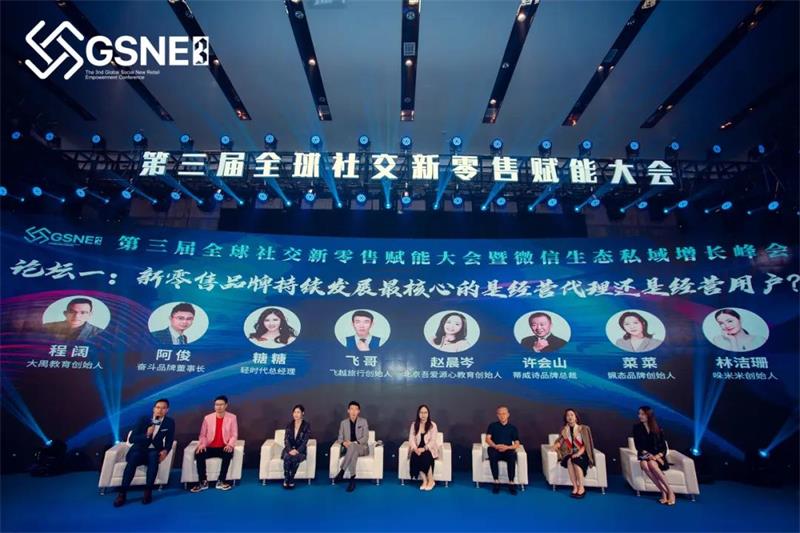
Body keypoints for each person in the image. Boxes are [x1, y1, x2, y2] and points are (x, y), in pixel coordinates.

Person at [113, 399, 175, 507]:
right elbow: (132, 439)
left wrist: (165, 451)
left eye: (163, 408)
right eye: (158, 407)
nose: (160, 410)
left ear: (167, 410)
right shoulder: (144, 420)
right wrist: (146, 434)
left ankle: (148, 492)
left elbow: (169, 441)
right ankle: (122, 494)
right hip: (139, 450)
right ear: (153, 409)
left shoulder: (169, 422)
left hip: (153, 451)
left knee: (153, 456)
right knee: (134, 457)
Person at [190, 395, 237, 493]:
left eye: (221, 404)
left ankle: (221, 481)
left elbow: (234, 435)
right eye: (216, 405)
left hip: (223, 447)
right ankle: (203, 481)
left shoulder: (232, 417)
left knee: (228, 453)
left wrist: (230, 445)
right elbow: (202, 435)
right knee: (199, 453)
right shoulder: (207, 418)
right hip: (210, 447)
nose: (218, 407)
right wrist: (202, 444)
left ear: (226, 405)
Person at [633, 406, 675, 506]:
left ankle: (670, 491)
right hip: (644, 455)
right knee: (644, 464)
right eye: (639, 414)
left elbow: (663, 448)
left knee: (651, 464)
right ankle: (663, 491)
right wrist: (649, 455)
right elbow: (638, 446)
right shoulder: (636, 428)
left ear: (649, 415)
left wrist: (657, 457)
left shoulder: (658, 428)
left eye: (642, 414)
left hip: (657, 457)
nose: (640, 416)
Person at [550, 408, 596, 499]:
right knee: (569, 460)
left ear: (576, 417)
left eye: (572, 415)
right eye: (567, 415)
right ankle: (575, 487)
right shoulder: (564, 430)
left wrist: (579, 453)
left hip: (582, 453)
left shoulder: (583, 428)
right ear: (566, 418)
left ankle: (581, 488)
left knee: (575, 460)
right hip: (570, 453)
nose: (570, 417)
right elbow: (561, 441)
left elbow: (586, 444)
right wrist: (556, 445)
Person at [333, 401, 369, 492]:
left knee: (353, 446)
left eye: (356, 409)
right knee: (353, 453)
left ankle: (342, 471)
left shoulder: (363, 421)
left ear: (359, 411)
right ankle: (352, 480)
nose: (353, 411)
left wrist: (355, 442)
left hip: (362, 448)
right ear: (348, 410)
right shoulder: (343, 423)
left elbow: (365, 437)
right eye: (351, 409)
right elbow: (340, 438)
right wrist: (343, 443)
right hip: (350, 449)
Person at [485, 405, 520, 495]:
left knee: (512, 455)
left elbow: (517, 444)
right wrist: (495, 446)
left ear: (508, 415)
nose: (502, 416)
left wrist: (507, 447)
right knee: (491, 453)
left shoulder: (512, 428)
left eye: (504, 414)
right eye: (500, 414)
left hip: (507, 449)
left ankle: (511, 483)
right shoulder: (492, 426)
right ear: (497, 415)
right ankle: (496, 482)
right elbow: (487, 439)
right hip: (495, 448)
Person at [407, 404, 439, 491]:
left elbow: (433, 441)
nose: (423, 415)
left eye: (425, 412)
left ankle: (431, 481)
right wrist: (415, 449)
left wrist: (424, 448)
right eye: (421, 412)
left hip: (429, 449)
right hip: (417, 448)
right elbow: (411, 439)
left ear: (428, 414)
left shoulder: (433, 425)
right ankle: (424, 481)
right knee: (415, 455)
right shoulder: (414, 425)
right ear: (418, 414)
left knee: (425, 456)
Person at [282, 404, 311, 489]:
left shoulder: (306, 425)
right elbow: (286, 440)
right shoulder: (289, 424)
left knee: (294, 458)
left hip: (300, 451)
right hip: (289, 449)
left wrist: (297, 451)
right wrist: (290, 450)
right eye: (294, 412)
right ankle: (286, 477)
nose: (296, 414)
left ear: (302, 413)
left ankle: (291, 479)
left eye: (298, 412)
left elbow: (305, 441)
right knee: (287, 457)